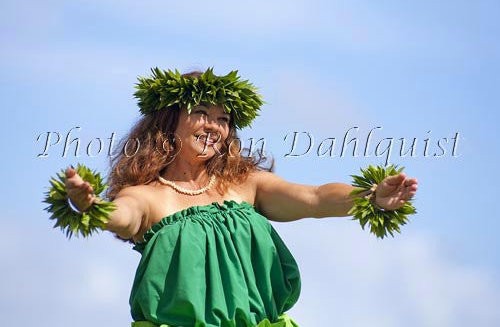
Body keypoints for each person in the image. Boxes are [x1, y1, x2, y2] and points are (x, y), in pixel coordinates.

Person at [63, 69, 418, 327]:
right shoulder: (148, 198)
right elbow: (122, 216)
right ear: (169, 122)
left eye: (223, 118)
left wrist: (371, 196)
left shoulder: (246, 185)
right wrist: (90, 206)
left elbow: (314, 197)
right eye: (201, 113)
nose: (213, 126)